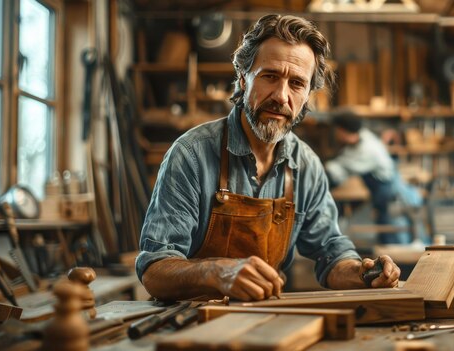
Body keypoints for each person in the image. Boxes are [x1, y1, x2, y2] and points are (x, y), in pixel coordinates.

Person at [136, 14, 401, 302]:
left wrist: (365, 274)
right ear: (243, 78)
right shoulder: (191, 155)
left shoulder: (306, 165)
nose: (281, 96)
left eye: (297, 83)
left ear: (307, 95)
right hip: (186, 322)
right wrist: (217, 273)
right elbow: (155, 270)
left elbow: (332, 253)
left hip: (265, 322)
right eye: (270, 76)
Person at [325, 114, 425, 244]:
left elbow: (340, 168)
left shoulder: (367, 149)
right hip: (383, 192)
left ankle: (401, 261)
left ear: (344, 131)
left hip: (390, 193)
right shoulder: (361, 137)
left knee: (394, 239)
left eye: (337, 131)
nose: (336, 135)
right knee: (387, 233)